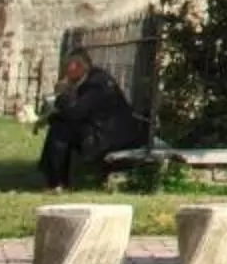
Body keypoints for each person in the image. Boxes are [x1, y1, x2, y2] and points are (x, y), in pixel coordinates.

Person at [38, 51, 149, 191]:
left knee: (61, 130)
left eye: (70, 65)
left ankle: (56, 181)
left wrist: (63, 94)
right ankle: (55, 180)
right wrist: (52, 117)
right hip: (104, 132)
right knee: (60, 126)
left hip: (111, 139)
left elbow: (76, 112)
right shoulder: (91, 79)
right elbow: (77, 113)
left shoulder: (96, 84)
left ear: (81, 66)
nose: (67, 70)